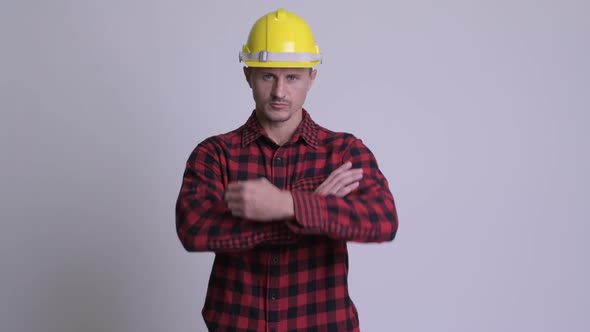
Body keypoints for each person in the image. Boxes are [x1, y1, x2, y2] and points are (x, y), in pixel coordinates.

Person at [176, 8, 398, 332]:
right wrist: (308, 212)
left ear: (312, 77)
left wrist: (284, 204)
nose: (280, 91)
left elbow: (383, 219)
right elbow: (193, 230)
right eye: (268, 76)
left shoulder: (343, 152)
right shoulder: (215, 154)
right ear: (248, 75)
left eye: (292, 77)